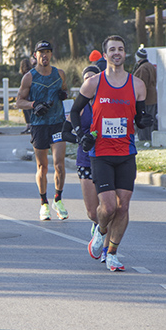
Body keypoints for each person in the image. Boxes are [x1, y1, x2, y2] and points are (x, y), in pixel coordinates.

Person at [69, 35, 154, 272]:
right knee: (107, 207)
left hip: (126, 151)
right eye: (112, 49)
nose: (117, 53)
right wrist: (80, 134)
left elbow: (139, 116)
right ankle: (101, 230)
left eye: (120, 49)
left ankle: (112, 252)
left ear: (125, 53)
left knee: (123, 207)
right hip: (101, 153)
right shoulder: (93, 83)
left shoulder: (137, 85)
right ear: (105, 55)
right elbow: (75, 112)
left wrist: (144, 119)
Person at [16, 40, 70, 221]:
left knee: (59, 165)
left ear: (51, 55)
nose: (44, 55)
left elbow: (64, 90)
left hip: (57, 123)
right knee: (42, 167)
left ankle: (58, 199)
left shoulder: (59, 74)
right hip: (39, 125)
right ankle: (43, 203)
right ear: (35, 56)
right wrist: (34, 104)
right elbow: (18, 102)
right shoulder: (29, 77)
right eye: (41, 52)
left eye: (47, 52)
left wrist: (64, 95)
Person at [62, 65, 106, 260]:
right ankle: (98, 227)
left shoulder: (107, 103)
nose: (90, 82)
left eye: (93, 78)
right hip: (86, 161)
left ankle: (107, 248)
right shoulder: (79, 109)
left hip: (106, 159)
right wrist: (81, 138)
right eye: (86, 78)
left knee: (108, 207)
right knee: (92, 211)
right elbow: (65, 133)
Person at [133, 46, 157, 145]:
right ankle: (149, 137)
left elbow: (141, 85)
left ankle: (144, 138)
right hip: (152, 97)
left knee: (143, 119)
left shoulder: (142, 68)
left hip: (145, 99)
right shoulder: (150, 66)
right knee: (150, 118)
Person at [18, 58, 33, 134]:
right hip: (31, 95)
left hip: (27, 95)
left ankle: (29, 125)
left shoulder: (26, 75)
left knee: (26, 110)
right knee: (29, 110)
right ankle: (30, 125)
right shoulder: (31, 72)